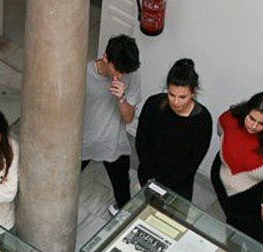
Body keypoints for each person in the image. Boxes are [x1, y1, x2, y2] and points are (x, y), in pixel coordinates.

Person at [210, 92, 263, 238]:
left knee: (247, 233)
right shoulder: (229, 119)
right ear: (246, 111)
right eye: (251, 118)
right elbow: (220, 132)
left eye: (261, 123)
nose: (254, 126)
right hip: (222, 185)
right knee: (231, 226)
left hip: (252, 199)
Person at [81, 35, 142, 215]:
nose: (120, 75)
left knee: (123, 191)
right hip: (82, 143)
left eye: (125, 71)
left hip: (113, 143)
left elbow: (129, 118)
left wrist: (121, 99)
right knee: (64, 183)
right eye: (118, 70)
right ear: (105, 58)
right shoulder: (83, 74)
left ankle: (122, 213)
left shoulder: (130, 73)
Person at [135, 59, 212, 200]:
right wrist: (150, 176)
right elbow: (141, 141)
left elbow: (193, 161)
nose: (176, 102)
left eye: (183, 97)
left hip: (179, 184)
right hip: (148, 175)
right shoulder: (153, 104)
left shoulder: (202, 119)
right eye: (171, 95)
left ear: (193, 92)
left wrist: (164, 183)